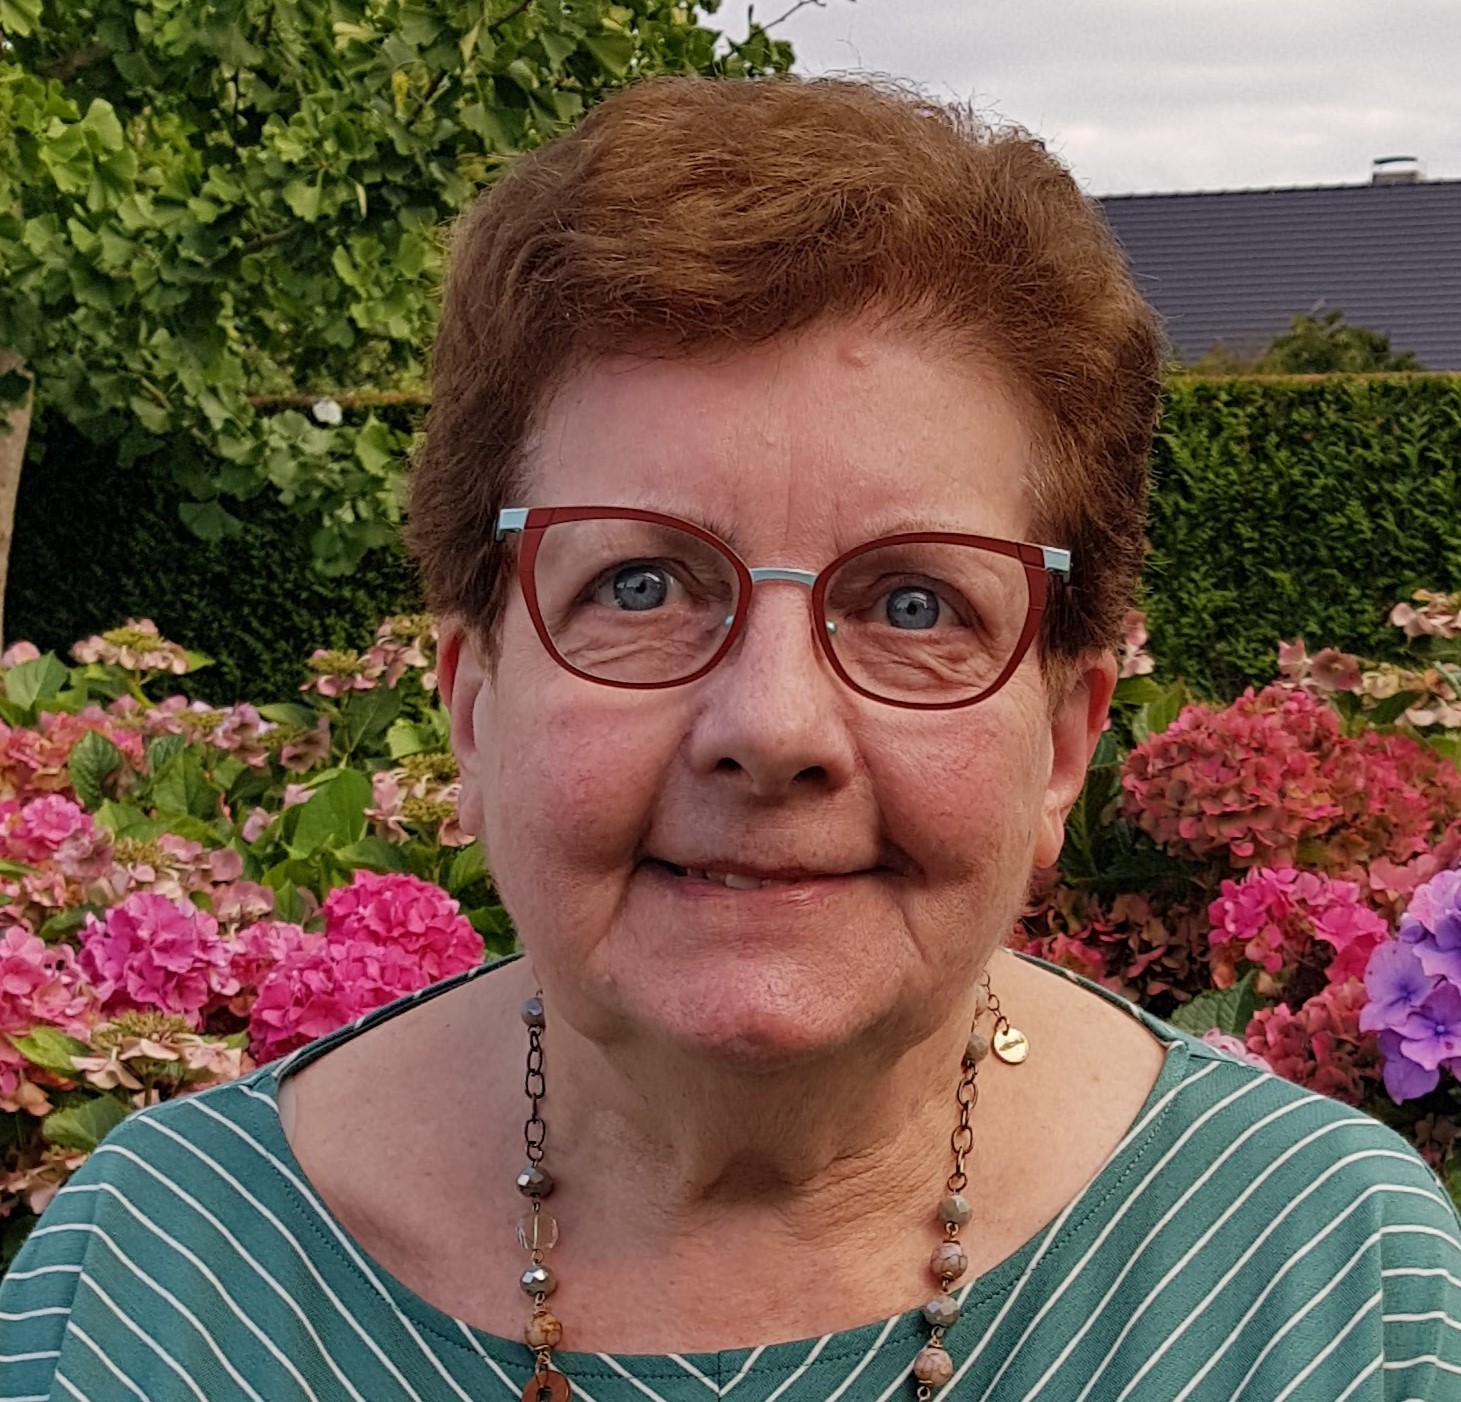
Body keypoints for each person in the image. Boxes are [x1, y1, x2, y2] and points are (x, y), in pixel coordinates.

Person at [4, 76, 1460, 1402]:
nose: (771, 725)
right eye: (640, 585)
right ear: (472, 704)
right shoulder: (155, 1283)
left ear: (1064, 744)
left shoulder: (1326, 1286)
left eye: (912, 602)